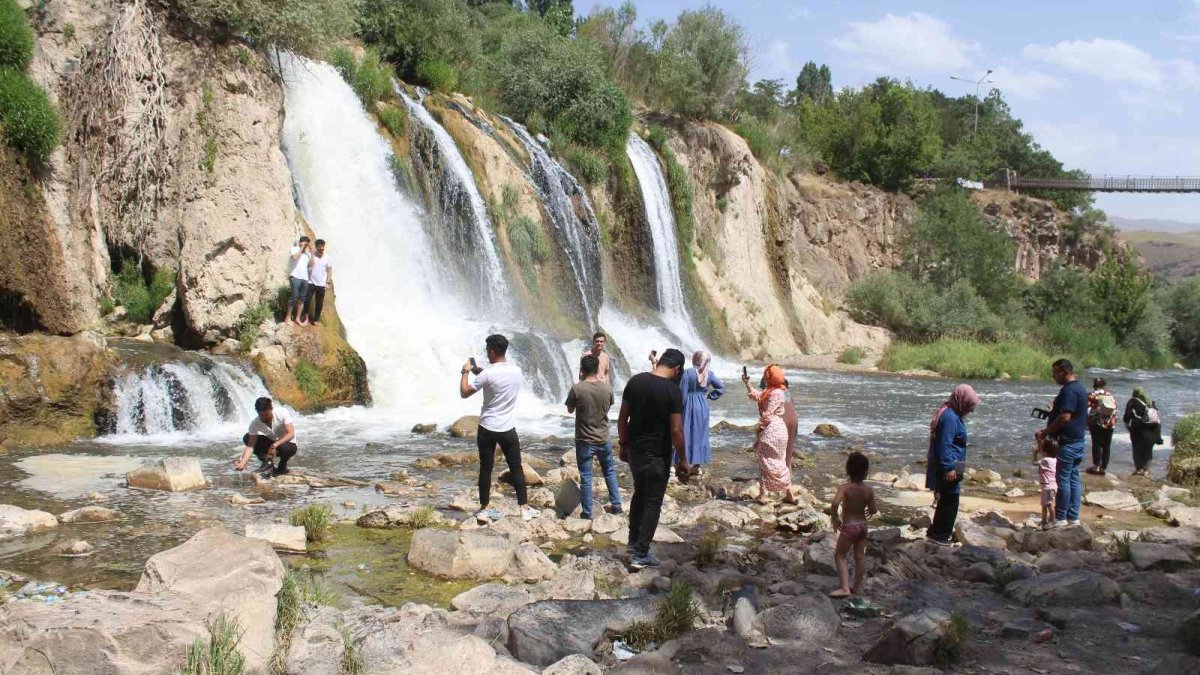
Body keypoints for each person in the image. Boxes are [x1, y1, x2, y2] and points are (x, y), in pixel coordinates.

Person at [618, 348, 691, 570]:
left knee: (639, 494)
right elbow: (677, 431)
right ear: (677, 369)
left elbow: (622, 419)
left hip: (635, 452)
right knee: (652, 502)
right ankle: (640, 554)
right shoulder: (672, 391)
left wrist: (623, 445)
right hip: (657, 454)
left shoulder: (635, 381)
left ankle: (632, 544)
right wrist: (682, 459)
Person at [460, 334, 539, 523]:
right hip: (508, 428)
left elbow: (464, 392)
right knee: (516, 467)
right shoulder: (516, 371)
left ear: (493, 351)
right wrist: (480, 371)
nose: (487, 353)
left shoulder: (487, 374)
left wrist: (465, 372)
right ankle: (524, 508)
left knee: (486, 468)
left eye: (488, 350)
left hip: (487, 427)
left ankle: (484, 508)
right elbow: (495, 379)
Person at [565, 354, 621, 518]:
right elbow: (608, 406)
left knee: (586, 476)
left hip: (584, 440)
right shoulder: (607, 388)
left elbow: (570, 409)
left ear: (582, 370)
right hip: (603, 437)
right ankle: (617, 506)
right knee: (609, 471)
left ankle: (588, 513)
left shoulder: (577, 388)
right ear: (598, 369)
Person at [925, 384, 981, 545]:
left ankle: (936, 533)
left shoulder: (952, 414)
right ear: (961, 401)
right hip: (950, 467)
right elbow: (944, 444)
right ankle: (939, 536)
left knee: (947, 499)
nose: (971, 410)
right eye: (970, 406)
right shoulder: (950, 418)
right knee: (950, 501)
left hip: (953, 465)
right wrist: (948, 468)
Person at [1037, 359, 1089, 528]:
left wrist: (1045, 432)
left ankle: (1060, 518)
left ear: (1064, 371)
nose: (1053, 376)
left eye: (1055, 372)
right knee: (1074, 478)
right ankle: (1073, 518)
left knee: (1063, 479)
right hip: (1078, 440)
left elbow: (1065, 417)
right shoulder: (1080, 388)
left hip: (1067, 441)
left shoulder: (1069, 390)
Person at [742, 364, 798, 504]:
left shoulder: (772, 392)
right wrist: (747, 383)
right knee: (785, 457)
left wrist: (760, 430)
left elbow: (768, 413)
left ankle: (766, 493)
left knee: (768, 460)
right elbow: (790, 405)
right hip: (791, 421)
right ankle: (788, 490)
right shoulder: (784, 390)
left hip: (777, 425)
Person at [829, 451, 877, 598]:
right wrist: (870, 511)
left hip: (850, 526)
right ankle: (857, 587)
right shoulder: (868, 490)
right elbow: (873, 509)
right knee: (859, 557)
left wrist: (835, 517)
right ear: (866, 472)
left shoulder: (844, 488)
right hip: (863, 526)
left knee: (840, 555)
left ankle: (845, 588)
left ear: (848, 470)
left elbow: (835, 504)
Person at [680, 350, 724, 474]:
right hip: (702, 405)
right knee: (700, 433)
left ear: (694, 360)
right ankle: (697, 465)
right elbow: (721, 387)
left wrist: (679, 409)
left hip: (689, 404)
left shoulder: (688, 373)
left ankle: (682, 462)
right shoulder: (709, 374)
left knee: (686, 432)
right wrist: (710, 396)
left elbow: (682, 394)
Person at [234, 397, 298, 477]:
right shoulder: (255, 423)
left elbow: (291, 434)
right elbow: (250, 447)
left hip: (288, 443)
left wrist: (274, 445)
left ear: (271, 409)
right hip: (271, 442)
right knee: (247, 437)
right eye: (261, 415)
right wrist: (243, 463)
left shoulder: (282, 412)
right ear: (257, 412)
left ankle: (282, 464)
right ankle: (267, 463)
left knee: (285, 449)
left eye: (267, 414)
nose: (264, 417)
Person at [1124, 387, 1164, 477]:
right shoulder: (1151, 402)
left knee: (1137, 449)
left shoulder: (1132, 401)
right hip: (1153, 428)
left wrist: (1128, 426)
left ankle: (1139, 469)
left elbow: (1127, 415)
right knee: (1148, 450)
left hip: (1138, 428)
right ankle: (1146, 471)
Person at [1086, 377, 1118, 476]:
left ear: (1094, 385)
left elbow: (1086, 407)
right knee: (1106, 445)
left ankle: (1096, 467)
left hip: (1096, 422)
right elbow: (1115, 409)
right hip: (1109, 423)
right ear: (1104, 385)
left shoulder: (1092, 395)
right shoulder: (1110, 395)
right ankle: (1103, 468)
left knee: (1096, 444)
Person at [302, 239, 333, 326]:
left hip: (322, 284)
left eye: (323, 247)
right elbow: (307, 264)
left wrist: (328, 282)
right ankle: (306, 317)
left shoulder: (327, 257)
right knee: (307, 300)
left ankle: (316, 319)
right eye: (320, 247)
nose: (322, 248)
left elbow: (329, 270)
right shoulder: (311, 255)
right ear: (316, 247)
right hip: (311, 282)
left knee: (319, 303)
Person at [1033, 436, 1059, 529]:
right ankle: (1044, 521)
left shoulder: (1045, 460)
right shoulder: (1054, 459)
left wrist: (1034, 453)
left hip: (1048, 487)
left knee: (1048, 504)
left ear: (1045, 451)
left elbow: (1034, 463)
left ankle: (1052, 521)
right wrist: (1040, 445)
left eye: (1042, 449)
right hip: (1049, 486)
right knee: (1044, 504)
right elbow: (1043, 454)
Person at [286, 236, 312, 326]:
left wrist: (311, 253)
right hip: (295, 276)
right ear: (301, 242)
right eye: (305, 243)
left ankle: (297, 318)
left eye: (307, 244)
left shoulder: (307, 254)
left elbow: (311, 265)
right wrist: (301, 248)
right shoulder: (294, 249)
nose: (306, 245)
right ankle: (287, 317)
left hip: (305, 278)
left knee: (302, 299)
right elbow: (295, 258)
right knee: (294, 297)